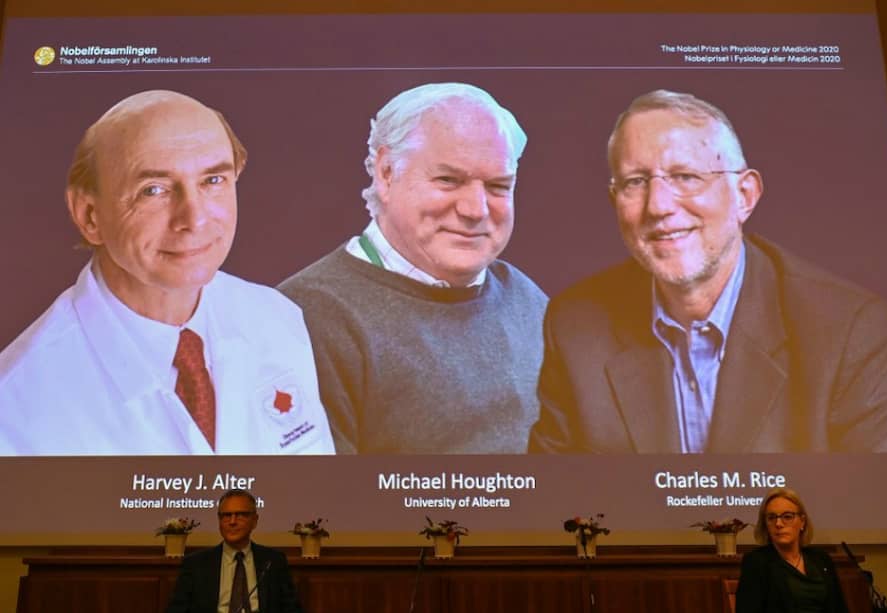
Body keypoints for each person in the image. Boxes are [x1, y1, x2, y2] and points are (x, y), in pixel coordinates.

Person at [528, 89, 887, 453]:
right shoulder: (575, 327)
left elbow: (885, 512)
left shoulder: (853, 334)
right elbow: (557, 501)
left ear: (745, 195)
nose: (659, 205)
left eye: (686, 177)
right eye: (636, 182)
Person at [0, 90, 335, 455]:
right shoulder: (18, 406)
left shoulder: (276, 318)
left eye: (213, 181)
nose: (194, 219)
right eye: (153, 190)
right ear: (89, 216)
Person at [279, 82, 547, 453]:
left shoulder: (527, 300)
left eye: (499, 186)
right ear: (386, 173)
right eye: (448, 180)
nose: (476, 209)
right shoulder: (303, 317)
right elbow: (321, 501)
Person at [166, 489, 303, 613]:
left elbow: (292, 609)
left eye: (240, 515)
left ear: (254, 521)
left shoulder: (274, 561)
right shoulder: (195, 564)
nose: (232, 521)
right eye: (226, 515)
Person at [735, 487, 849, 613]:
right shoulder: (756, 563)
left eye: (787, 517)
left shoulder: (821, 559)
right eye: (771, 518)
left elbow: (839, 607)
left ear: (802, 522)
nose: (778, 524)